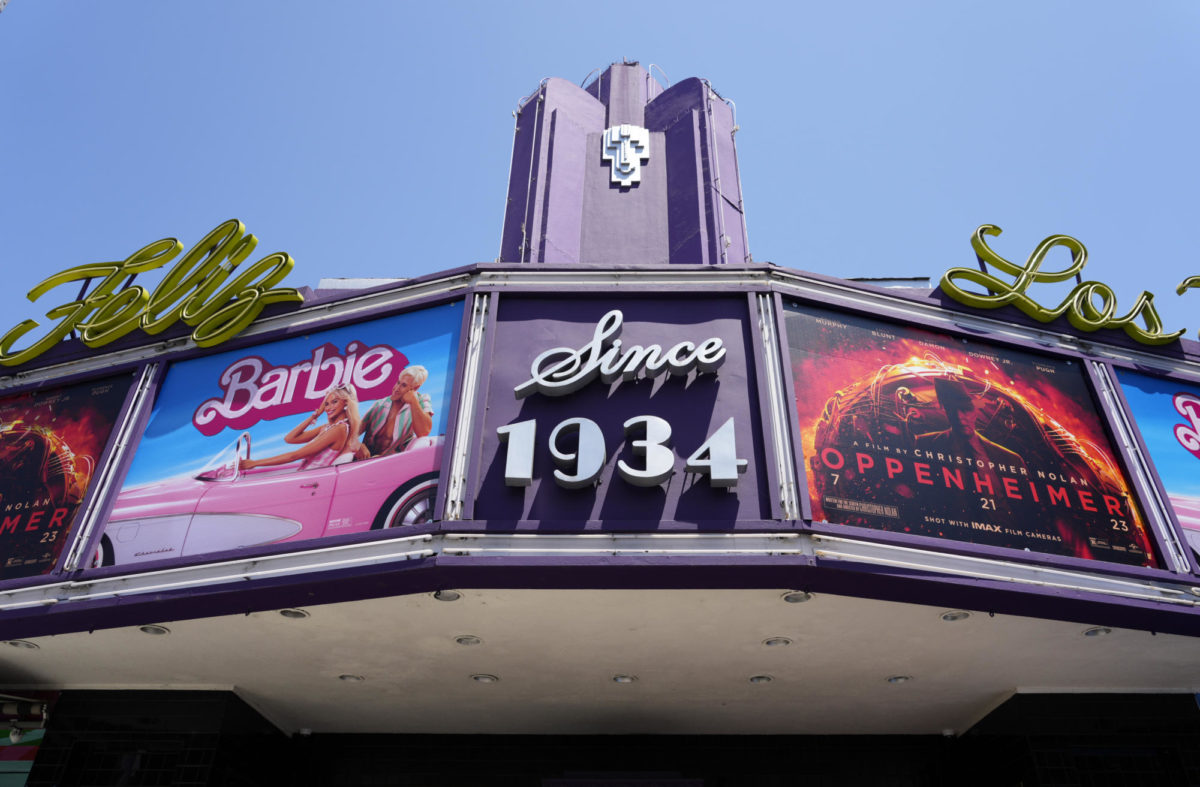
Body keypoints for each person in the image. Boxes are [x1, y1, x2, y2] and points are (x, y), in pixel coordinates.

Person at [242, 384, 362, 471]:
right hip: (304, 474)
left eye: (334, 402)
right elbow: (290, 438)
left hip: (311, 480)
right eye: (326, 404)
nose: (328, 408)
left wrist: (254, 463)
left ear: (345, 403)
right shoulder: (328, 427)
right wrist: (315, 416)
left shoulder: (339, 430)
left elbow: (295, 455)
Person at [915, 376, 1025, 469]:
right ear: (946, 411)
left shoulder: (1011, 460)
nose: (959, 417)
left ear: (975, 411)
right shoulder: (924, 444)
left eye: (965, 409)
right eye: (952, 409)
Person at [358, 365, 433, 458]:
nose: (396, 388)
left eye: (403, 385)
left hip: (392, 464)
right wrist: (358, 445)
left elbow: (423, 432)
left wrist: (413, 402)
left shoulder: (421, 401)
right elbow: (354, 432)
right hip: (362, 462)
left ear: (415, 388)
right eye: (398, 382)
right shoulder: (380, 404)